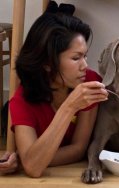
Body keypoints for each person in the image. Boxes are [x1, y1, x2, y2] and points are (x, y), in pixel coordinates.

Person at [0, 9, 108, 177]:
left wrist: (25, 159)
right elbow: (34, 168)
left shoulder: (89, 82)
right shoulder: (21, 101)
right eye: (76, 58)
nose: (85, 65)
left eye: (85, 56)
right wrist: (70, 106)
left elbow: (78, 148)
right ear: (47, 62)